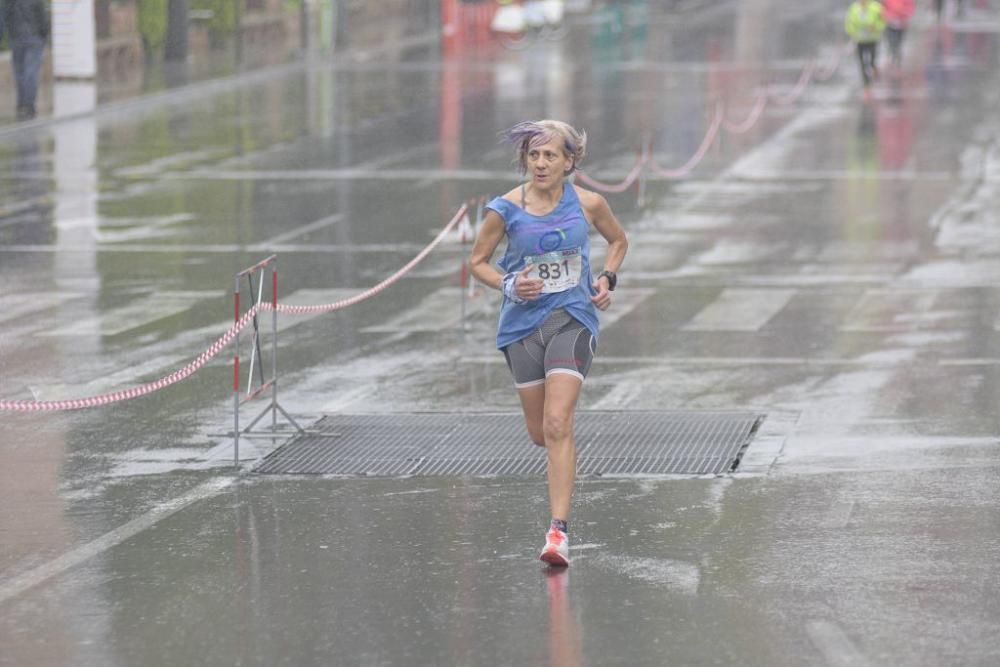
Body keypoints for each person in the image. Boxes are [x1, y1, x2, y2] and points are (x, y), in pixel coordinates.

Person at [469, 120, 628, 567]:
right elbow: (477, 262)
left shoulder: (589, 203)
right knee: (541, 434)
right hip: (521, 328)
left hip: (572, 319)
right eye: (533, 155)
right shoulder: (505, 209)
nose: (540, 163)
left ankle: (558, 532)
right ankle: (562, 457)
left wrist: (606, 278)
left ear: (569, 162)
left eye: (549, 156)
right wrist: (508, 285)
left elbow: (618, 240)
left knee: (559, 422)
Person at [2, 0, 50, 120]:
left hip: (16, 39)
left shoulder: (9, 2)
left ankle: (21, 104)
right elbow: (43, 17)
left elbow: (4, 17)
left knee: (19, 72)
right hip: (34, 38)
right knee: (31, 72)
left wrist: (7, 35)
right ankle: (29, 106)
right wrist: (44, 36)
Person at [845, 0, 886, 102]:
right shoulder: (854, 8)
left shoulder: (876, 7)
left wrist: (876, 28)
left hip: (872, 39)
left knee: (871, 61)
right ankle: (867, 87)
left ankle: (874, 68)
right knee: (862, 64)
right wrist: (853, 32)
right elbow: (849, 23)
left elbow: (883, 22)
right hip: (860, 40)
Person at [882, 0, 915, 69]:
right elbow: (884, 7)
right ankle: (892, 54)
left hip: (901, 22)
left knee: (899, 40)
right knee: (891, 40)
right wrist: (887, 16)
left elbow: (910, 8)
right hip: (890, 22)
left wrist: (904, 15)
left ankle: (897, 55)